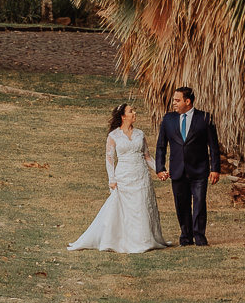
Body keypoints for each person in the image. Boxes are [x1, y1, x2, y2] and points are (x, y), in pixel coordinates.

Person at [67, 103, 172, 253]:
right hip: (124, 175)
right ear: (123, 116)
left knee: (142, 206)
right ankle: (124, 240)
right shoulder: (114, 136)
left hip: (141, 174)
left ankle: (145, 239)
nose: (134, 113)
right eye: (131, 111)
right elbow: (109, 158)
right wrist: (112, 179)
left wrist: (160, 170)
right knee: (125, 209)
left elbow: (147, 156)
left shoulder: (140, 134)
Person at [155, 86, 220, 246]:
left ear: (188, 101)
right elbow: (161, 146)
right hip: (177, 171)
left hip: (199, 170)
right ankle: (185, 236)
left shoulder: (205, 118)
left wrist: (215, 169)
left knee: (199, 203)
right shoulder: (168, 119)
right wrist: (160, 167)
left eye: (177, 100)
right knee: (181, 205)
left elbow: (213, 146)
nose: (174, 103)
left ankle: (199, 237)